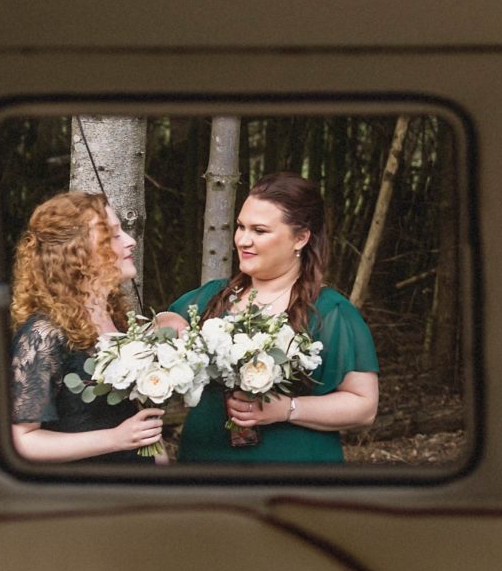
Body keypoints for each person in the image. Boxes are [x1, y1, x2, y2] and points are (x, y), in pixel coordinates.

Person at [156, 173, 378, 462]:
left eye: (259, 231)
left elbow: (364, 407)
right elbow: (161, 326)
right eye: (240, 227)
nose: (243, 240)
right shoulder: (212, 297)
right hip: (205, 465)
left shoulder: (331, 312)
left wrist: (287, 409)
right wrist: (163, 323)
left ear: (300, 238)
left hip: (291, 473)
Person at [9, 193, 164, 463]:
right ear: (76, 251)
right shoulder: (44, 334)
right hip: (84, 493)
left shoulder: (117, 317)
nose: (130, 241)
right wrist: (115, 439)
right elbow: (22, 440)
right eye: (113, 235)